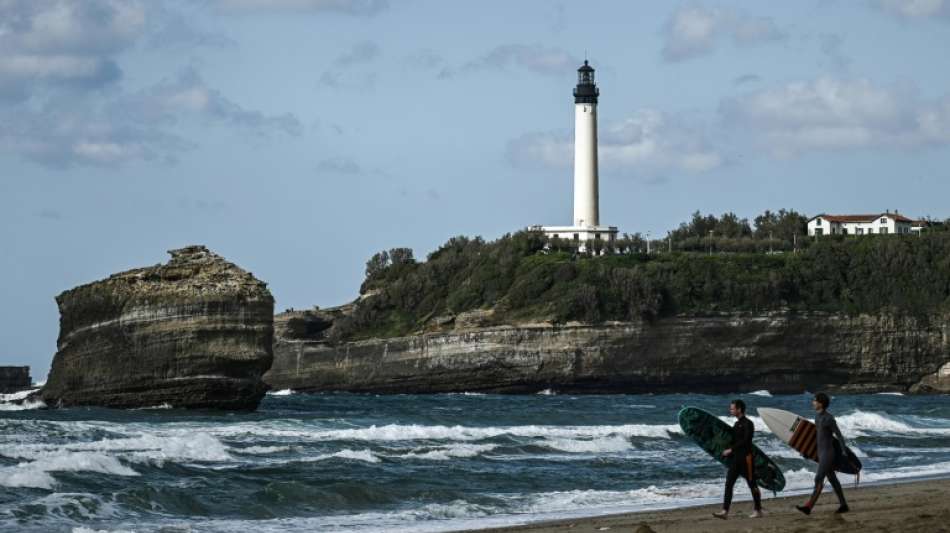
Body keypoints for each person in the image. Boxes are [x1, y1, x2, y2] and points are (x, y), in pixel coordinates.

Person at [796, 392, 850, 515]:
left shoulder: (829, 418)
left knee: (818, 478)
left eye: (815, 400)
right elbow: (817, 437)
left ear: (821, 403)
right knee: (832, 479)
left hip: (828, 453)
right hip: (821, 453)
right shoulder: (817, 417)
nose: (813, 402)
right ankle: (844, 505)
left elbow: (839, 435)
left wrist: (844, 450)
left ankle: (808, 507)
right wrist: (808, 451)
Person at [713, 399, 763, 519]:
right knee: (729, 484)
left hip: (746, 458)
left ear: (739, 409)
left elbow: (746, 441)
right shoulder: (736, 424)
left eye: (732, 408)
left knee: (752, 484)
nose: (730, 410)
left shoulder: (748, 423)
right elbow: (733, 441)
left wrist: (731, 449)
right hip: (736, 459)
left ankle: (758, 510)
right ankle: (725, 511)